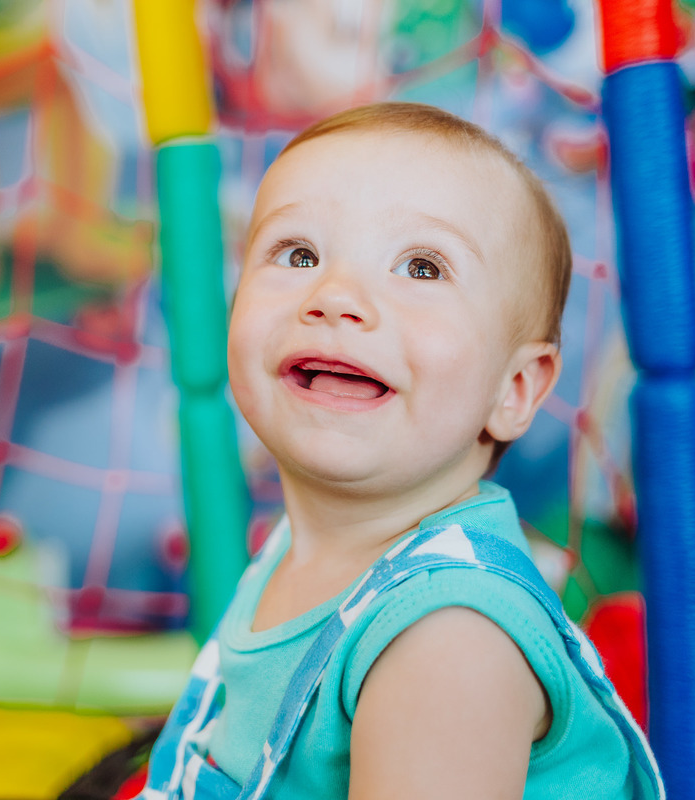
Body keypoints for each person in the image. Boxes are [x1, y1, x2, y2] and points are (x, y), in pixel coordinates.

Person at [137, 102, 664, 799]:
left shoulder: (448, 638)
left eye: (421, 267)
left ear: (513, 388)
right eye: (299, 254)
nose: (336, 296)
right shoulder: (301, 546)